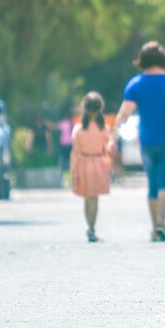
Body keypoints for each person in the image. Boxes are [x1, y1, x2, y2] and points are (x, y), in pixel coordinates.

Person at [108, 41, 165, 242]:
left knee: (152, 184)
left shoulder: (136, 84)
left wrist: (113, 136)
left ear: (142, 61)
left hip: (146, 140)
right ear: (164, 59)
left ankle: (155, 228)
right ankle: (161, 223)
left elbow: (124, 114)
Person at [71, 92, 112, 242]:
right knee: (95, 199)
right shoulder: (104, 128)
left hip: (83, 162)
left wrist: (72, 171)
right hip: (98, 163)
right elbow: (107, 149)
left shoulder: (79, 129)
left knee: (86, 198)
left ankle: (89, 227)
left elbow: (74, 152)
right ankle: (92, 228)